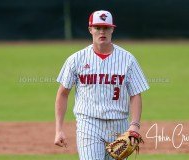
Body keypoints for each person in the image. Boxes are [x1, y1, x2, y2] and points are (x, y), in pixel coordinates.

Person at [54, 10, 149, 160]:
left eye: (106, 28)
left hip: (119, 125)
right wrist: (59, 129)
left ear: (112, 29)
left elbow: (135, 94)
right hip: (88, 124)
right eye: (97, 28)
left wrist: (135, 125)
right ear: (90, 29)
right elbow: (63, 93)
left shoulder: (127, 59)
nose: (102, 32)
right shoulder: (76, 59)